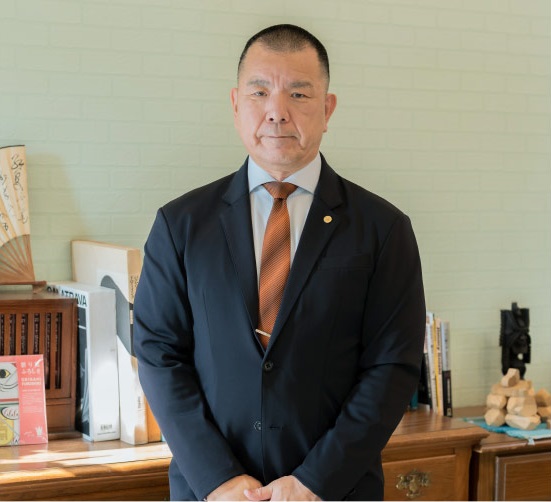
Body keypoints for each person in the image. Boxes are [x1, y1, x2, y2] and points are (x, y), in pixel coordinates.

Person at [133, 24, 426, 501]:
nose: (277, 111)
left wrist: (315, 482)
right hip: (212, 493)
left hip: (335, 491)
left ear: (328, 109)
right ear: (235, 104)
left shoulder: (383, 229)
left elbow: (391, 366)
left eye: (299, 94)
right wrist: (217, 479)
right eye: (260, 92)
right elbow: (158, 353)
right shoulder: (181, 224)